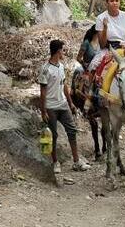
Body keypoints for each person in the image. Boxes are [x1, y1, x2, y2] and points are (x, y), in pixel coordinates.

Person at [38, 39, 91, 174]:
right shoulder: (45, 69)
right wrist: (43, 111)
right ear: (57, 51)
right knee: (53, 135)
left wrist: (70, 103)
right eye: (62, 50)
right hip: (51, 106)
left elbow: (64, 86)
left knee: (72, 131)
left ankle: (76, 161)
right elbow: (42, 91)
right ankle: (55, 162)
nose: (64, 53)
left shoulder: (61, 66)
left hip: (62, 104)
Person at [88, 0, 125, 73]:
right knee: (93, 66)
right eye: (112, 1)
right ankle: (90, 85)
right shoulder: (101, 18)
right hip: (108, 49)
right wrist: (105, 27)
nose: (115, 3)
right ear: (106, 3)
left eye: (117, 1)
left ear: (120, 2)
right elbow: (102, 44)